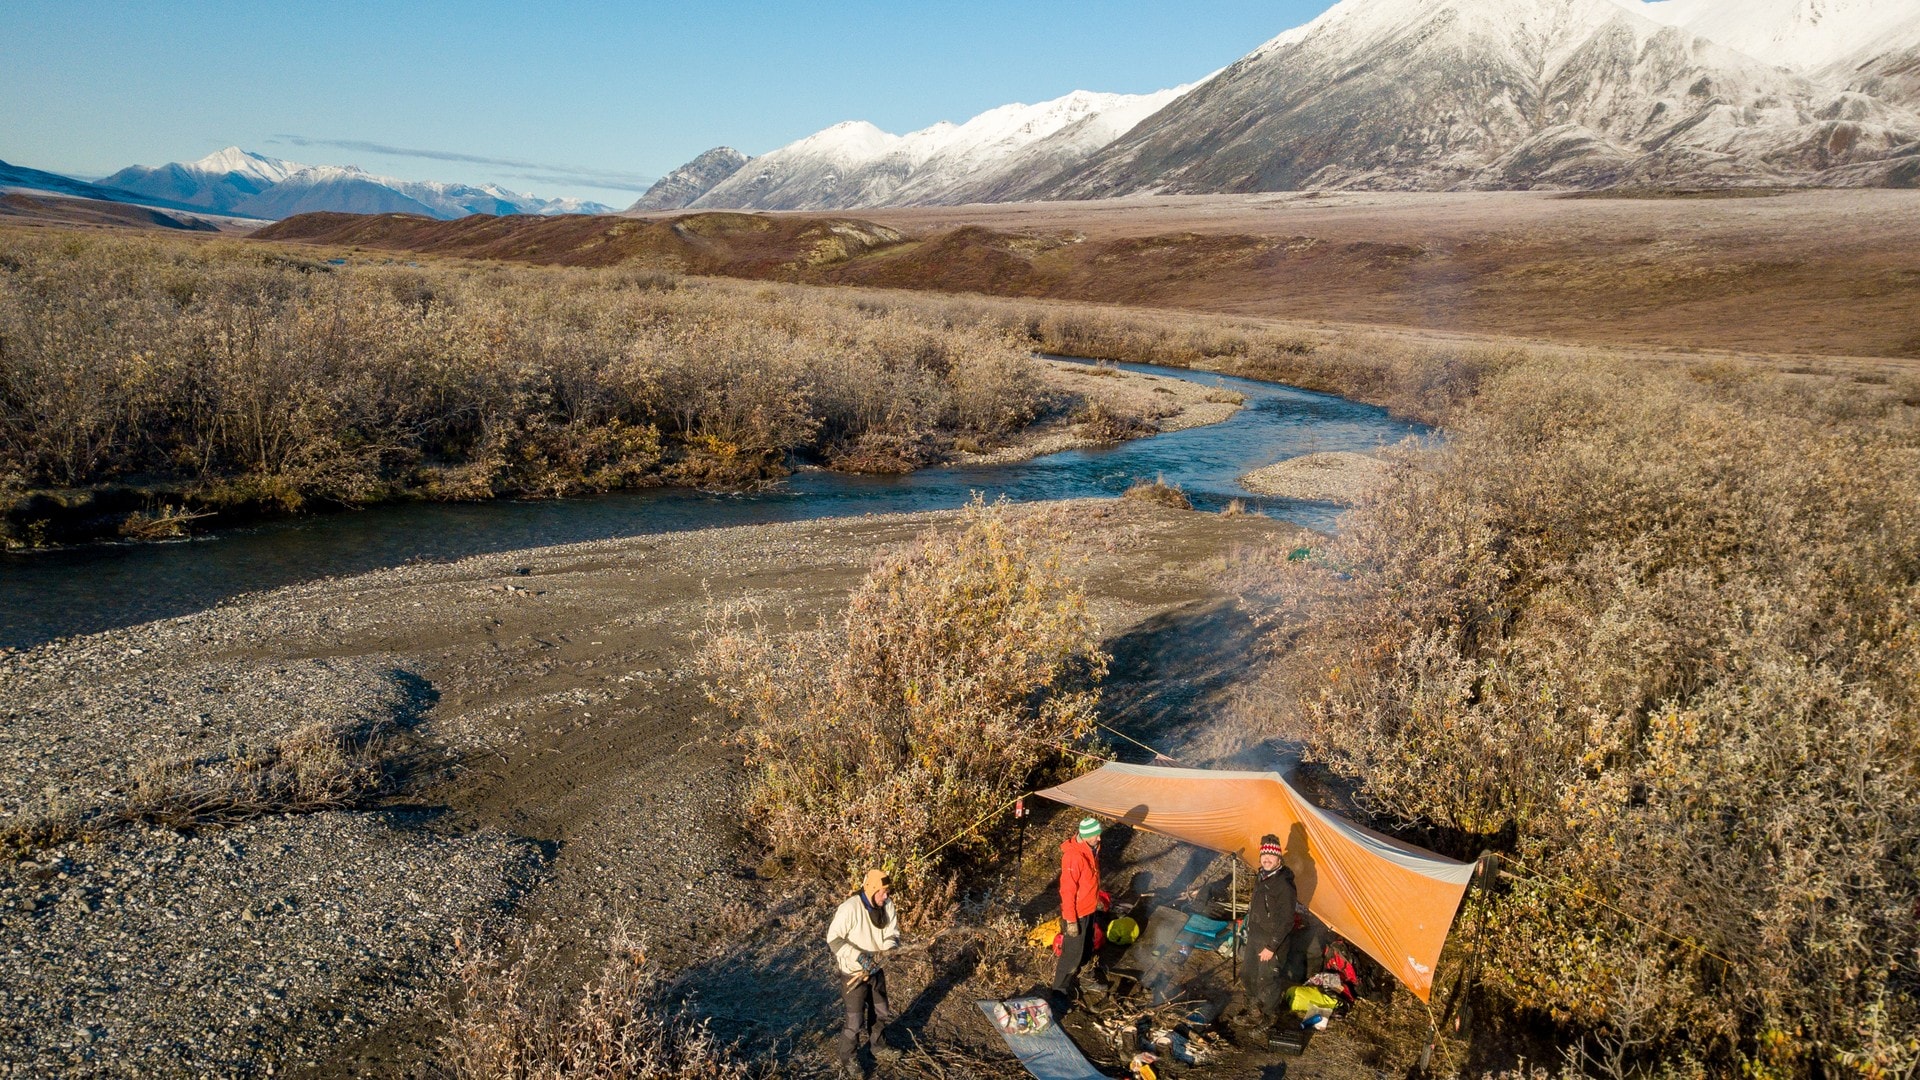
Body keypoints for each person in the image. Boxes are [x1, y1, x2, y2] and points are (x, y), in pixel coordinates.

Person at [826, 869, 901, 1074]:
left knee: (881, 1011)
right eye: (882, 892)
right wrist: (859, 957)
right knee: (855, 1020)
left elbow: (892, 932)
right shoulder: (849, 908)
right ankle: (848, 1058)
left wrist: (890, 949)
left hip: (876, 969)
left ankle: (878, 1046)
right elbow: (833, 939)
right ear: (871, 889)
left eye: (887, 891)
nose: (886, 896)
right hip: (853, 973)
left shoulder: (887, 905)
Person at [1241, 833, 1297, 1027]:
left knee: (1268, 980)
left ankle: (1268, 1019)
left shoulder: (1284, 885)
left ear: (1279, 858)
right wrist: (1248, 924)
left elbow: (1287, 921)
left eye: (1271, 856)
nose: (1266, 859)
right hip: (1256, 935)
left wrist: (1271, 946)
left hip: (1273, 941)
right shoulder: (1262, 876)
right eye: (1264, 855)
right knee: (1248, 974)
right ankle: (1253, 1012)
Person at [1051, 816, 1103, 1007]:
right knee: (1071, 955)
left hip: (1089, 908)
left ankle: (1086, 976)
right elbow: (1067, 891)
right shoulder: (1074, 857)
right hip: (1076, 914)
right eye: (1096, 835)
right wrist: (1071, 921)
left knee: (1087, 947)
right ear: (1088, 836)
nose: (1099, 838)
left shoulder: (1092, 848)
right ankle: (1058, 992)